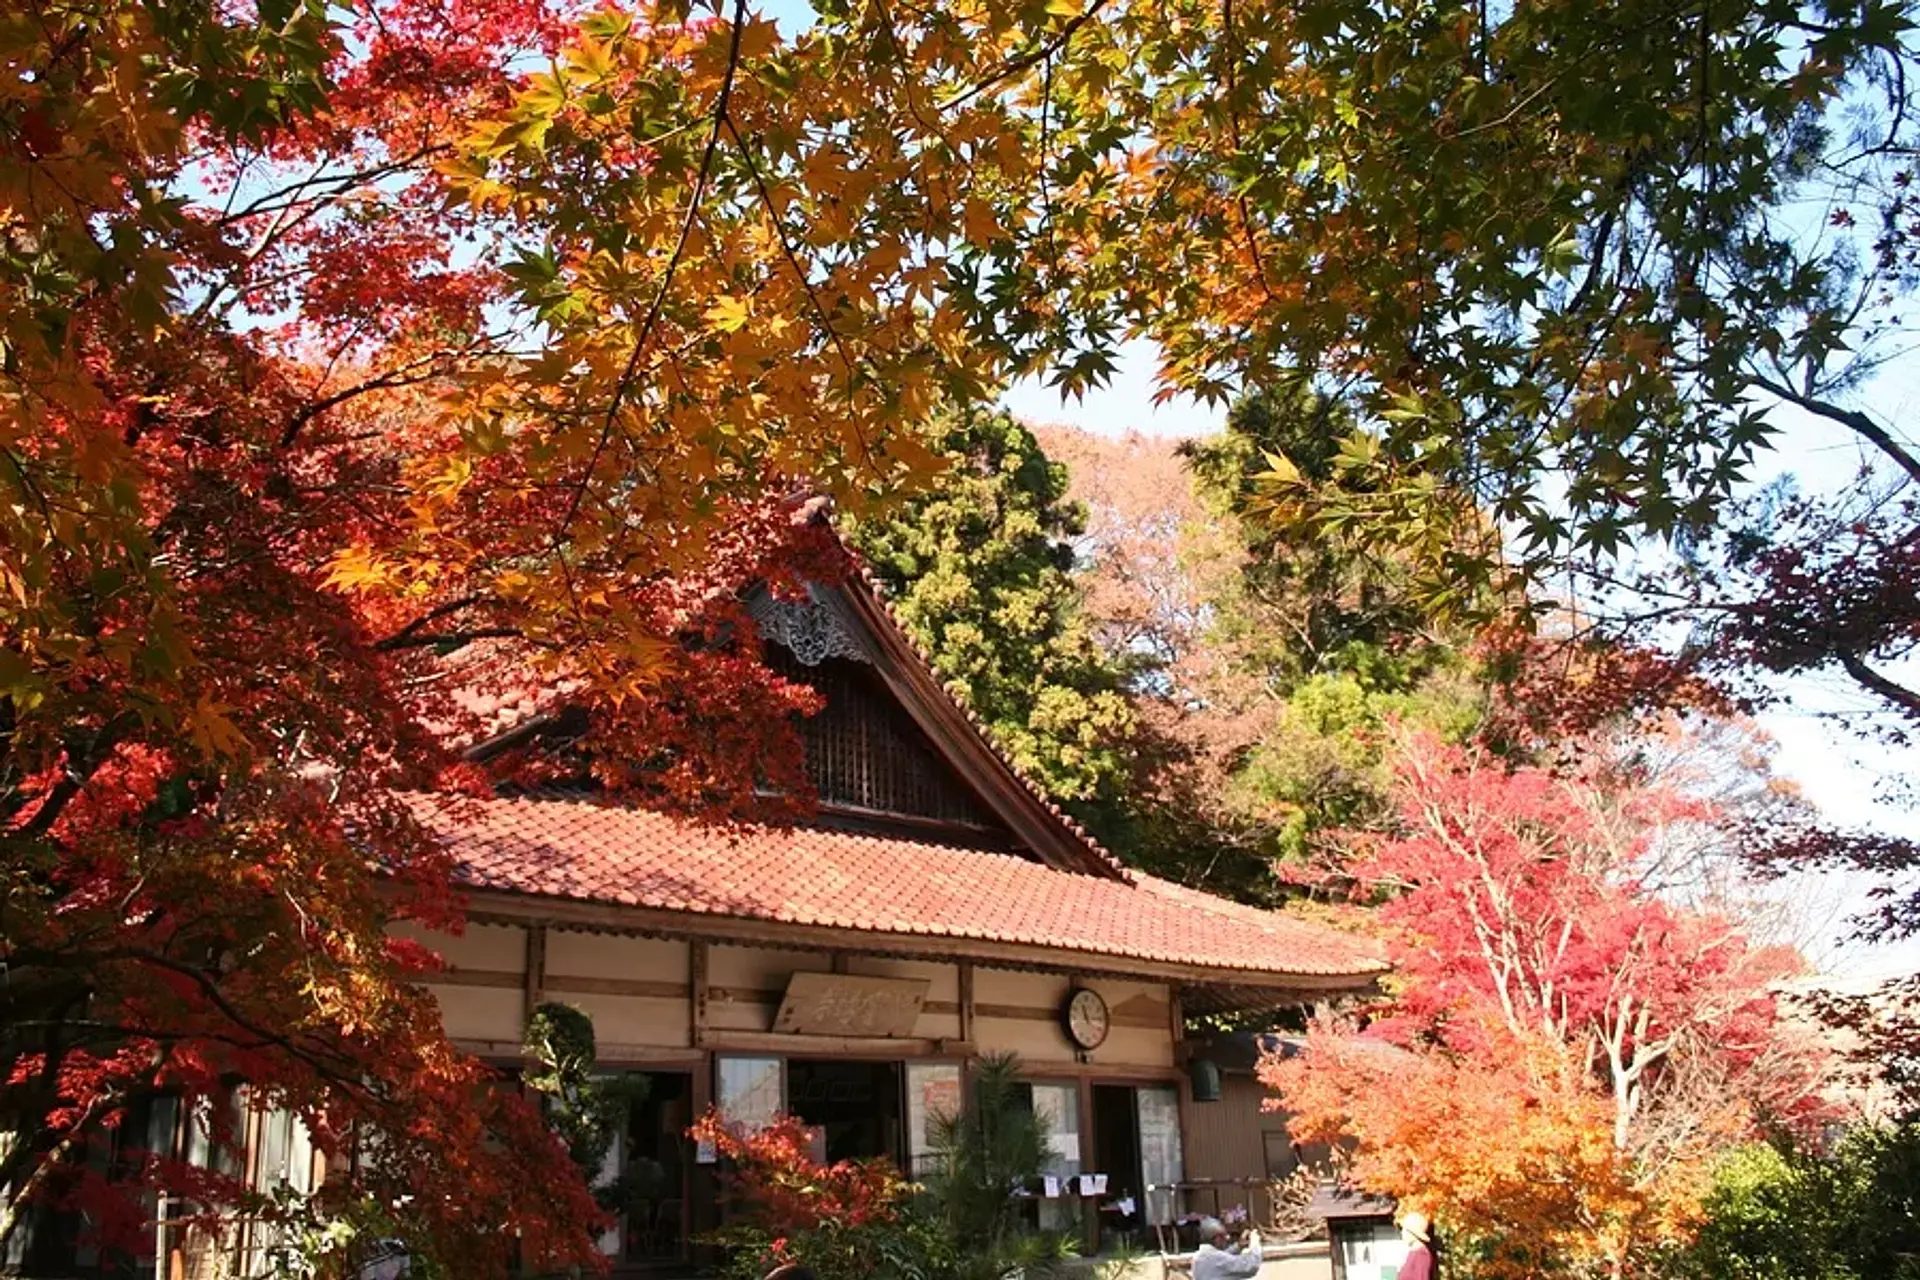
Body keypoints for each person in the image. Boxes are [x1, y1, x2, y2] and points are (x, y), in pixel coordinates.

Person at [1191, 1216, 1264, 1280]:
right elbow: (1250, 1266)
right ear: (1217, 1238)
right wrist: (1255, 1243)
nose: (1227, 1238)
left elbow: (1222, 1256)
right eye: (1224, 1236)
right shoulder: (1216, 1258)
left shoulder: (1199, 1256)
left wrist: (1238, 1246)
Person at [1394, 1212, 1436, 1280]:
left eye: (1404, 1230)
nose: (1402, 1233)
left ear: (1413, 1233)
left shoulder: (1421, 1254)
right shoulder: (1413, 1253)